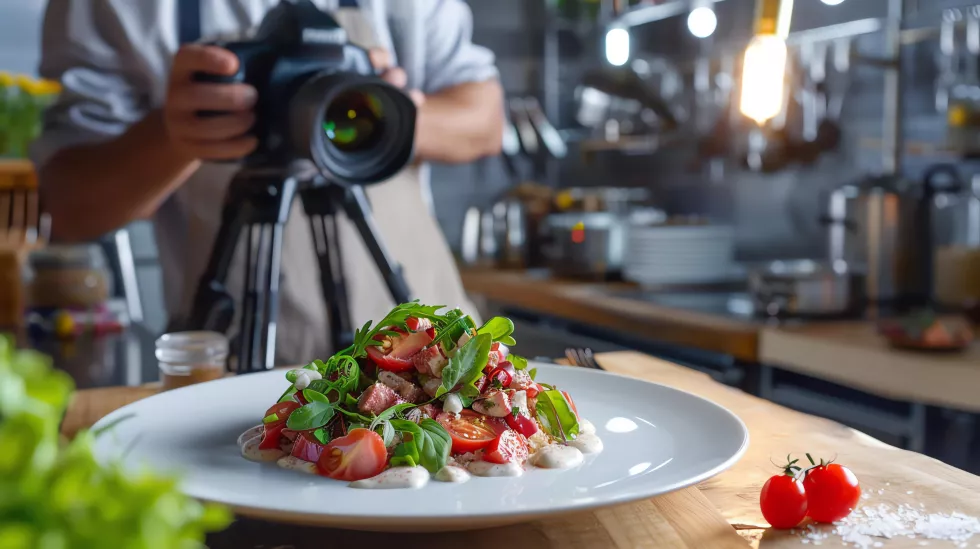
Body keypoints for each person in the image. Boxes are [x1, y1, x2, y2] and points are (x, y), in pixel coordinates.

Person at [33, 0, 503, 364]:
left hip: (431, 357)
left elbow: (487, 119)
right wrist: (174, 135)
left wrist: (387, 114)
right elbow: (69, 208)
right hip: (234, 368)